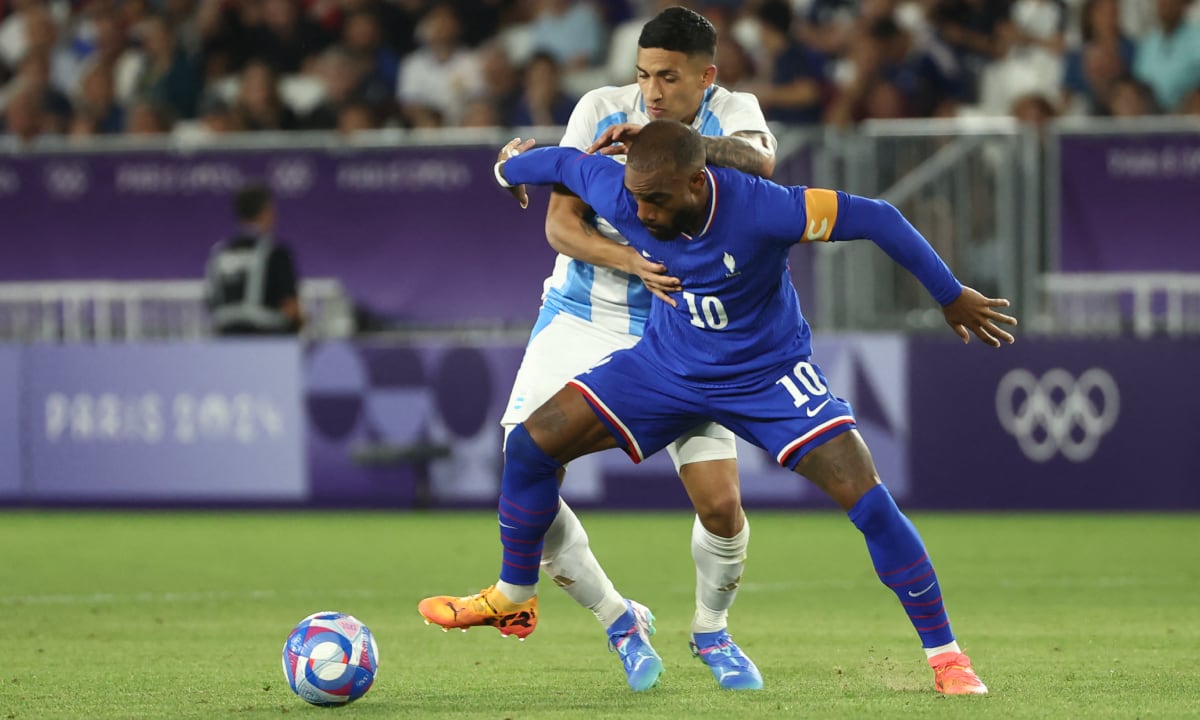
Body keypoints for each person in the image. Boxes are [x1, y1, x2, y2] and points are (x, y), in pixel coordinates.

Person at [421, 120, 1017, 696]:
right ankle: (515, 596)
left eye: (656, 201)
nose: (643, 214)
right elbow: (557, 163)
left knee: (866, 497)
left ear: (697, 183)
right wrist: (507, 171)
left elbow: (879, 218)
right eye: (636, 198)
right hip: (665, 368)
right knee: (529, 444)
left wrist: (951, 295)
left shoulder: (766, 208)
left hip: (767, 375)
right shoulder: (624, 190)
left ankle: (947, 659)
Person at [427, 6, 777, 694]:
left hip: (683, 332)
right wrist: (631, 258)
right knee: (523, 467)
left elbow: (762, 163)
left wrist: (663, 139)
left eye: (669, 79)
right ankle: (618, 620)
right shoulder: (598, 109)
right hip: (583, 316)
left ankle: (713, 631)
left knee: (721, 506)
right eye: (644, 75)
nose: (651, 92)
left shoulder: (735, 112)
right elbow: (561, 227)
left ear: (706, 78)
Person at [204, 183, 304, 336]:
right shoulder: (275, 253)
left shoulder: (219, 253)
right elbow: (291, 307)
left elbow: (210, 302)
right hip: (266, 343)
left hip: (223, 341)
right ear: (266, 212)